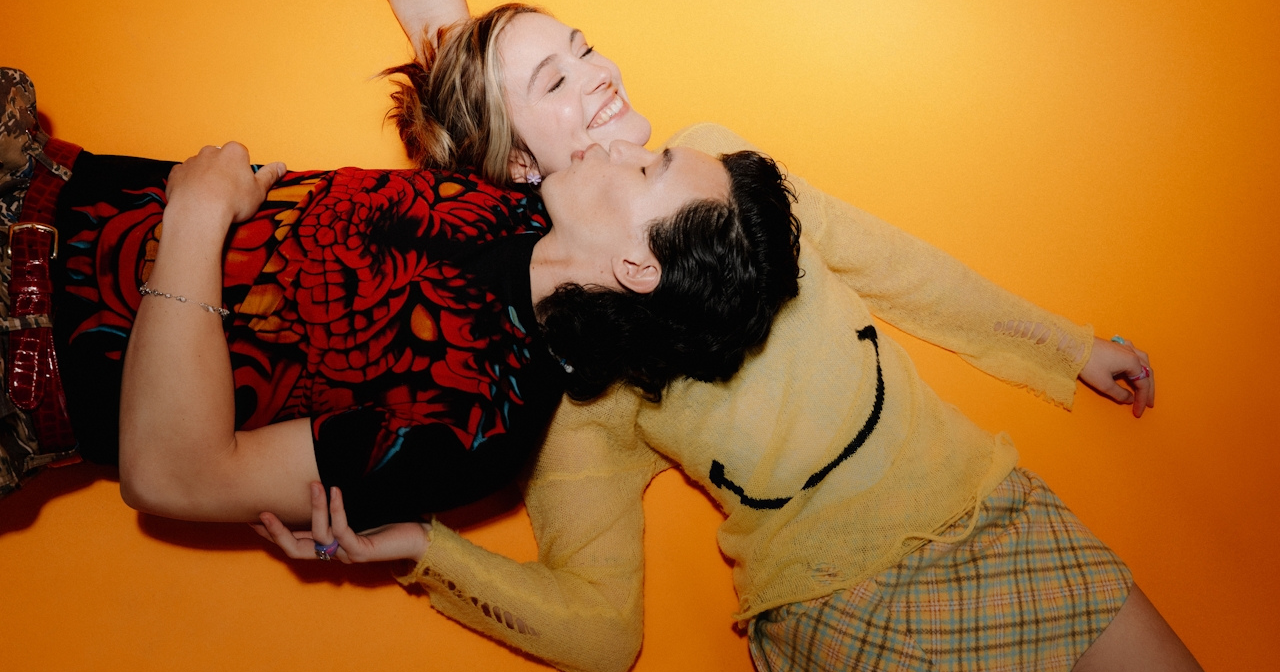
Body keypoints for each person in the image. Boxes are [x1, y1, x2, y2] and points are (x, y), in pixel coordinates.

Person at [253, 3, 1201, 671]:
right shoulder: (571, 369)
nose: (602, 74)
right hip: (840, 611)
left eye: (588, 50)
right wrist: (424, 550)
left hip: (993, 509)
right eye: (558, 76)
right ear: (516, 161)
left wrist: (1061, 346)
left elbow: (894, 263)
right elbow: (600, 629)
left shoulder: (716, 164)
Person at [0, 65, 802, 530]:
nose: (625, 144)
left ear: (637, 265)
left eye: (649, 168)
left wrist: (197, 216)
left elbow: (174, 475)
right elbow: (458, 39)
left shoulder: (483, 425)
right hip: (34, 181)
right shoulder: (521, 180)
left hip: (23, 366)